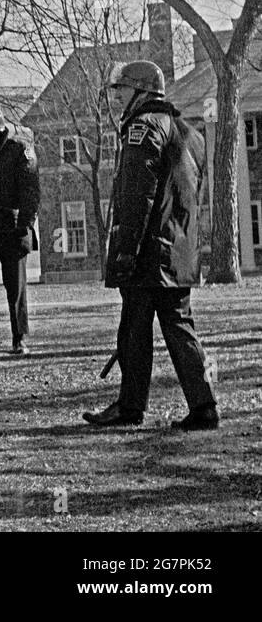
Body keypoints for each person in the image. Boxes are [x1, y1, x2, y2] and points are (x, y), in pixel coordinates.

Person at [83, 61, 218, 431]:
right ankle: (204, 403)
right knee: (179, 326)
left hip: (149, 250)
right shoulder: (191, 133)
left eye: (122, 90)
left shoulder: (143, 127)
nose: (118, 98)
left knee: (134, 329)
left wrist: (126, 249)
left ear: (142, 91)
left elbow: (136, 194)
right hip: (180, 250)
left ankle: (130, 406)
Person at [0, 106, 40, 355]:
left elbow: (30, 192)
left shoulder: (19, 151)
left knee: (17, 287)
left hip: (13, 228)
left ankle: (19, 338)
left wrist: (25, 225)